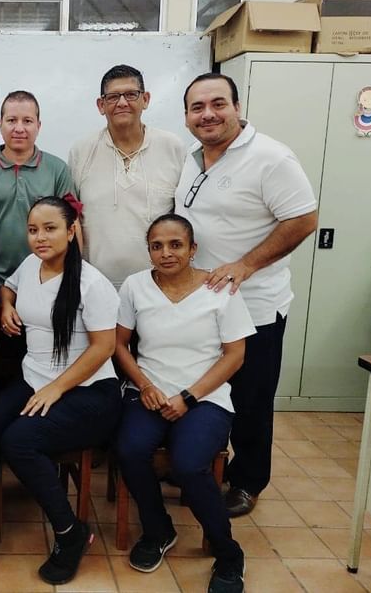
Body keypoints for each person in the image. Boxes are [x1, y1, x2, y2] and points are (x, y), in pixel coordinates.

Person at [0, 196, 121, 587]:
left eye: (50, 228)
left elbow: (103, 348)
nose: (40, 237)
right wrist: (7, 305)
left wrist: (57, 389)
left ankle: (70, 533)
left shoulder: (92, 284)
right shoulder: (31, 265)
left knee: (19, 441)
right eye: (33, 230)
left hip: (89, 392)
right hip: (35, 379)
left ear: (71, 230)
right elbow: (9, 288)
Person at [175, 73, 318, 517]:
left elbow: (303, 219)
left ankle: (247, 481)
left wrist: (246, 265)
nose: (208, 115)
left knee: (251, 398)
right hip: (203, 306)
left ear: (238, 107)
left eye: (218, 104)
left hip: (254, 307)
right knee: (211, 393)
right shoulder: (193, 158)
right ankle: (204, 465)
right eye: (197, 108)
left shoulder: (271, 158)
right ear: (186, 117)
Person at [115, 213, 255, 593]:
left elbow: (234, 356)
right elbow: (118, 343)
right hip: (149, 392)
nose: (166, 253)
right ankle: (159, 530)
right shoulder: (135, 286)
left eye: (176, 244)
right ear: (149, 251)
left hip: (205, 397)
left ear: (193, 249)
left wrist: (189, 396)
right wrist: (143, 384)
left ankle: (228, 554)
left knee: (190, 464)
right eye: (157, 246)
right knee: (129, 450)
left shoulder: (220, 288)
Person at [0, 90, 76, 387]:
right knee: (0, 368)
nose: (19, 128)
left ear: (39, 124)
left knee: (46, 365)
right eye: (12, 120)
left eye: (28, 120)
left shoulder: (57, 169)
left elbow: (72, 227)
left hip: (46, 284)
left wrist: (74, 277)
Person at [68, 65, 186, 289]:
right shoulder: (81, 151)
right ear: (101, 106)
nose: (122, 103)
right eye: (113, 97)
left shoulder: (173, 148)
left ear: (146, 99)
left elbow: (184, 217)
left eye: (131, 94)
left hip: (159, 287)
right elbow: (72, 219)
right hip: (96, 287)